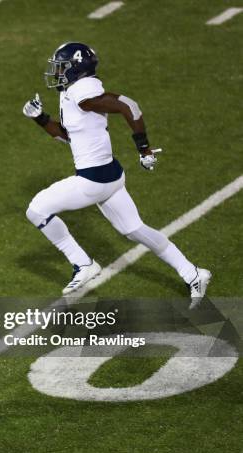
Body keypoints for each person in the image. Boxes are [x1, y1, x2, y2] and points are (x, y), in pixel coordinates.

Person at [22, 42, 210, 308]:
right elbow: (68, 136)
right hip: (111, 177)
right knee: (135, 230)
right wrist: (41, 118)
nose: (58, 72)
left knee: (37, 210)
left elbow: (128, 105)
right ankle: (194, 274)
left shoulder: (82, 92)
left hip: (93, 181)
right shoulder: (72, 94)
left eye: (62, 67)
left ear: (76, 68)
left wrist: (143, 148)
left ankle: (82, 264)